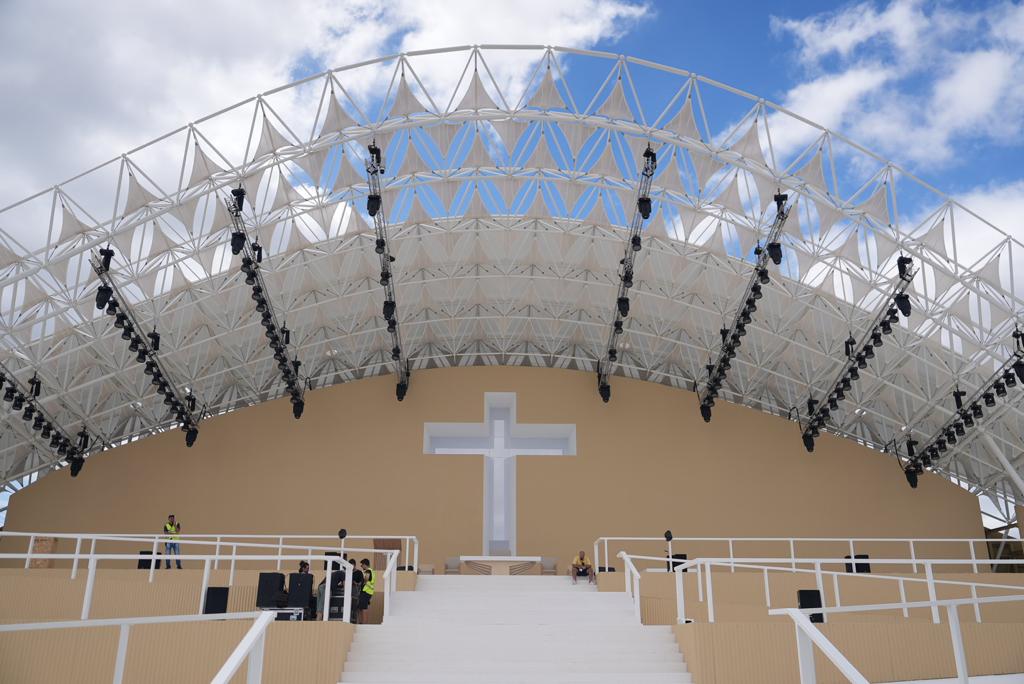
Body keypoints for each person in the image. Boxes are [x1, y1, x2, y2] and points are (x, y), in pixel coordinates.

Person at [357, 558, 374, 623]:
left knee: (364, 607)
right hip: (368, 592)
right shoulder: (371, 571)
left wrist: (359, 584)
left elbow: (365, 581)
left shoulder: (368, 571)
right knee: (362, 607)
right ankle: (362, 622)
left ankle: (364, 623)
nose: (361, 566)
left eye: (362, 565)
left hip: (366, 591)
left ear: (365, 564)